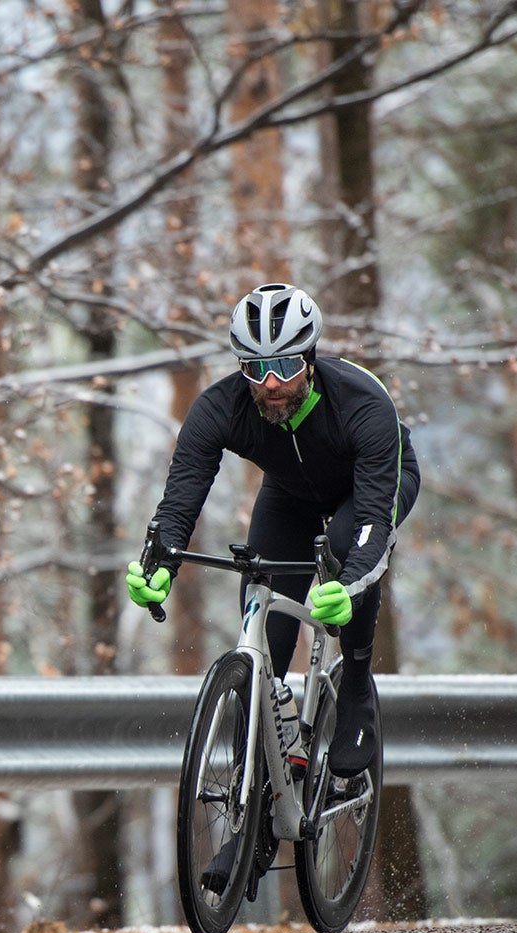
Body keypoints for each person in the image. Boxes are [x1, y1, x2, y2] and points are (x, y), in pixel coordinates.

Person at [128, 283, 419, 883]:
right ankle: (257, 820)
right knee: (263, 637)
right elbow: (181, 495)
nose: (271, 383)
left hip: (371, 490)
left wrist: (355, 581)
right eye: (255, 368)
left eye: (285, 365)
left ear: (309, 359)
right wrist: (157, 563)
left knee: (343, 554)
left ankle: (358, 687)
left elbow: (370, 523)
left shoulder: (362, 403)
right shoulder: (221, 407)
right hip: (288, 496)